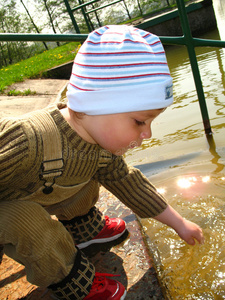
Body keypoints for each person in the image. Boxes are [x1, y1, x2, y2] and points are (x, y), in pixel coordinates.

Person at [0, 25, 204, 300]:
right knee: (31, 223)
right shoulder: (28, 139)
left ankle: (83, 228)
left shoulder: (101, 148)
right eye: (139, 121)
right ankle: (72, 283)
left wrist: (179, 223)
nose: (147, 134)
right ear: (96, 105)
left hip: (36, 195)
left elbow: (130, 184)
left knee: (86, 178)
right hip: (9, 210)